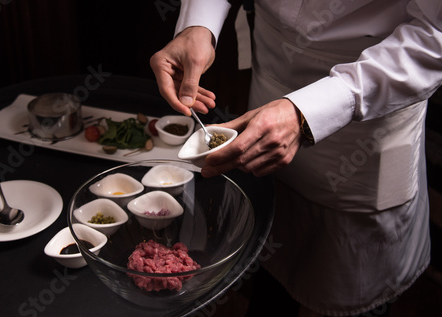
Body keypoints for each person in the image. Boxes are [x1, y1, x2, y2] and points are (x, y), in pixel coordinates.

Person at [150, 1, 442, 316]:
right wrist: (198, 23)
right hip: (272, 77)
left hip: (370, 110)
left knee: (353, 282)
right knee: (271, 262)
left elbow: (435, 33)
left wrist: (310, 112)